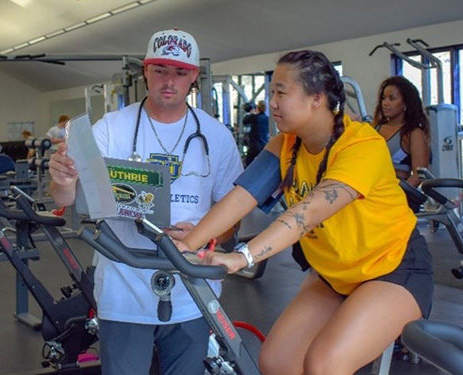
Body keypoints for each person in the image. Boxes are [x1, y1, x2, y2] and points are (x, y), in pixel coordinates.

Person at [175, 50, 434, 375]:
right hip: (335, 274)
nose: (272, 103)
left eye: (281, 92)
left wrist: (242, 258)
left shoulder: (361, 146)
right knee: (277, 362)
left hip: (392, 268)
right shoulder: (286, 145)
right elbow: (241, 198)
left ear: (316, 98)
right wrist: (187, 245)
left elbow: (306, 215)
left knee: (325, 365)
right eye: (271, 93)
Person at [48, 29, 243, 375]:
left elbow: (234, 219)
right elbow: (68, 197)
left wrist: (205, 232)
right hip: (124, 289)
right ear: (146, 72)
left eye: (180, 73)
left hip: (192, 291)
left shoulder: (216, 137)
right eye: (160, 70)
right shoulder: (110, 129)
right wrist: (62, 180)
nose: (169, 81)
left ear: (194, 76)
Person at [372, 76, 430, 211]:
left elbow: (419, 174)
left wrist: (396, 196)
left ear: (405, 103)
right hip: (372, 193)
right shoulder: (373, 128)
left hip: (396, 195)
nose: (385, 103)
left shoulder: (413, 133)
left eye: (392, 98)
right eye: (383, 98)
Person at [243, 100, 270, 165]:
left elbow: (245, 121)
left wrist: (251, 114)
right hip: (264, 144)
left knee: (248, 163)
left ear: (258, 108)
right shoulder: (267, 118)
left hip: (254, 145)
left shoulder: (254, 117)